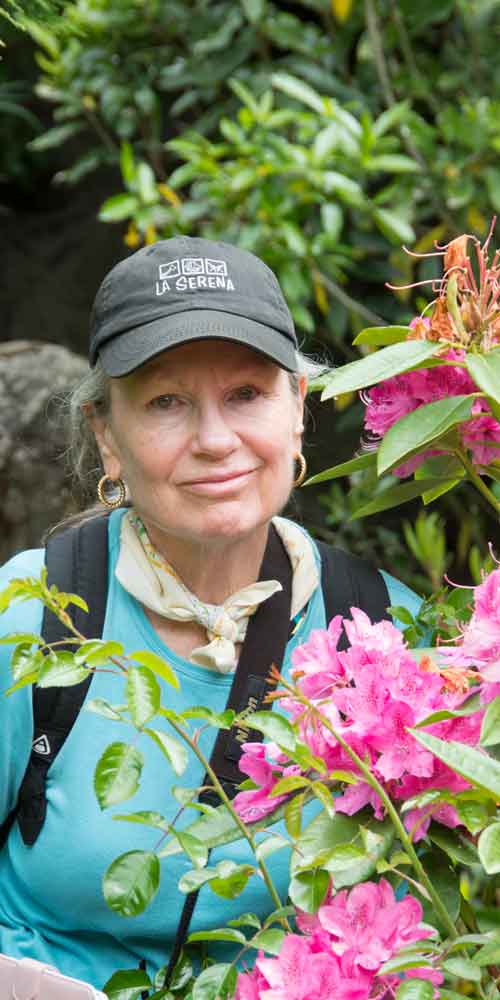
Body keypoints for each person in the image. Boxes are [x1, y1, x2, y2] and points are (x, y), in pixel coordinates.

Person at [0, 237, 421, 992]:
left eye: (247, 394)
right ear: (107, 434)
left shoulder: (388, 630)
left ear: (298, 407)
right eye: (166, 401)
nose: (216, 440)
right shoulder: (31, 622)